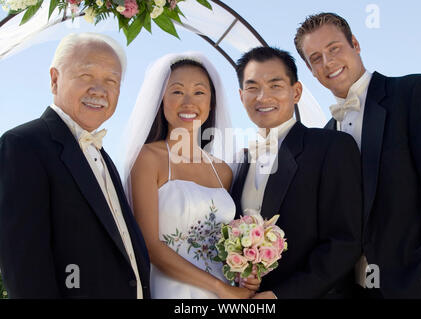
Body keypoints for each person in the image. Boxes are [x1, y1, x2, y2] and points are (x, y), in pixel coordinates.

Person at [295, 12, 421, 299]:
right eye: (316, 58)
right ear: (310, 70)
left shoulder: (414, 92)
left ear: (355, 43)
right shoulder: (325, 136)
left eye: (334, 48)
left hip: (418, 287)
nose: (328, 62)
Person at [0, 33, 150, 299]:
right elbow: (24, 268)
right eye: (86, 76)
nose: (99, 90)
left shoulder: (104, 157)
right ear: (55, 79)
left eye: (111, 81)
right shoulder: (22, 145)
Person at [122, 52, 260, 299]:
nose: (188, 102)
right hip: (173, 290)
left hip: (228, 292)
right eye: (176, 91)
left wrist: (246, 273)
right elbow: (150, 246)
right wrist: (219, 288)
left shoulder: (223, 171)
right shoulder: (147, 159)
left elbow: (226, 244)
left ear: (212, 103)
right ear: (161, 99)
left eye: (199, 92)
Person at [230, 46, 363, 298]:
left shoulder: (332, 146)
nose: (262, 97)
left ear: (297, 92)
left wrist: (280, 296)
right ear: (241, 96)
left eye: (275, 85)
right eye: (252, 87)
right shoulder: (239, 163)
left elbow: (345, 241)